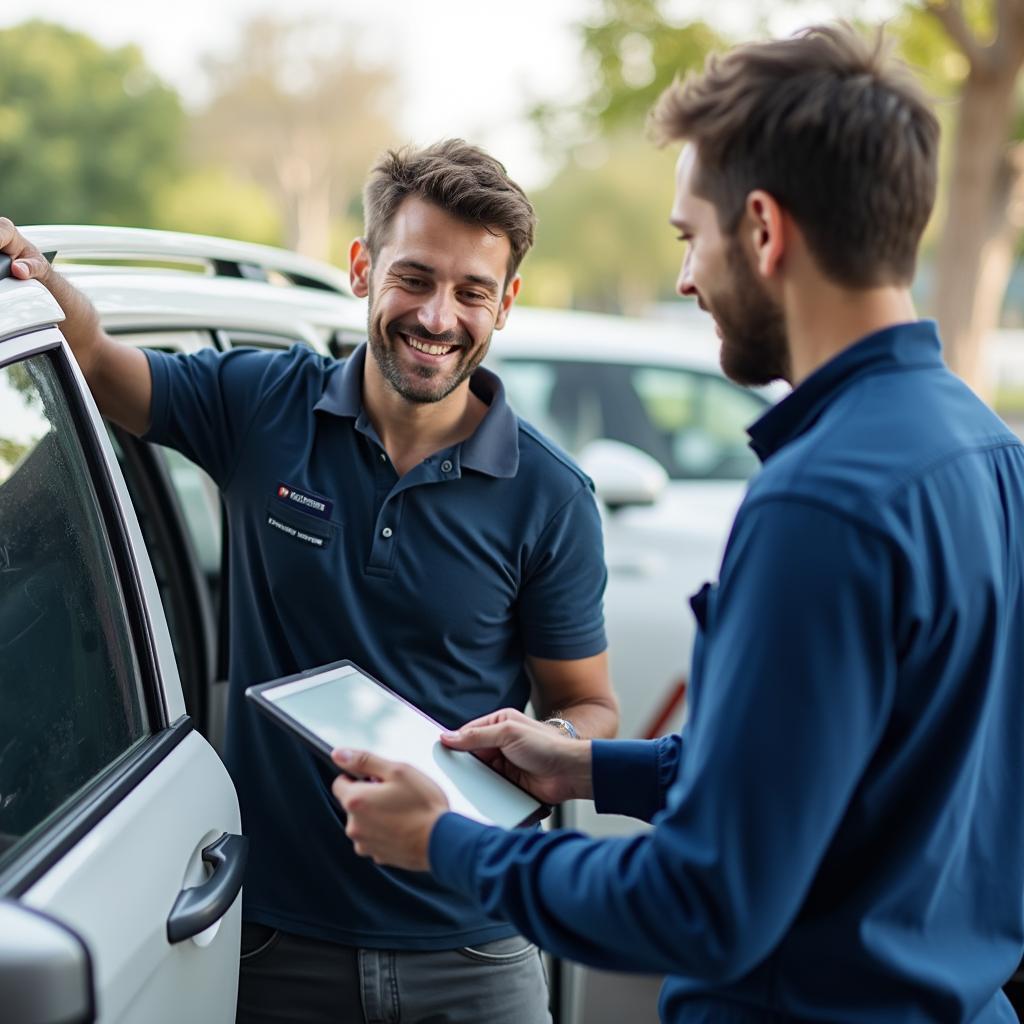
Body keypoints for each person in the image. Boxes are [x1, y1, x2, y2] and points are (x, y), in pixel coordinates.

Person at [330, 24, 1024, 1023]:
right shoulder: (986, 447)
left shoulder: (819, 500)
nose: (685, 278)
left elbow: (705, 901)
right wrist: (588, 764)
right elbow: (860, 770)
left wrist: (447, 840)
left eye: (686, 236)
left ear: (762, 229)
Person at [0, 139, 619, 1024]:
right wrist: (32, 273)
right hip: (269, 941)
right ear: (363, 267)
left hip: (474, 946)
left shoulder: (551, 497)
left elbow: (589, 705)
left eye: (472, 292)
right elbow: (97, 364)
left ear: (505, 303)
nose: (439, 317)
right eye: (414, 278)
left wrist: (540, 736)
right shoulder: (264, 405)